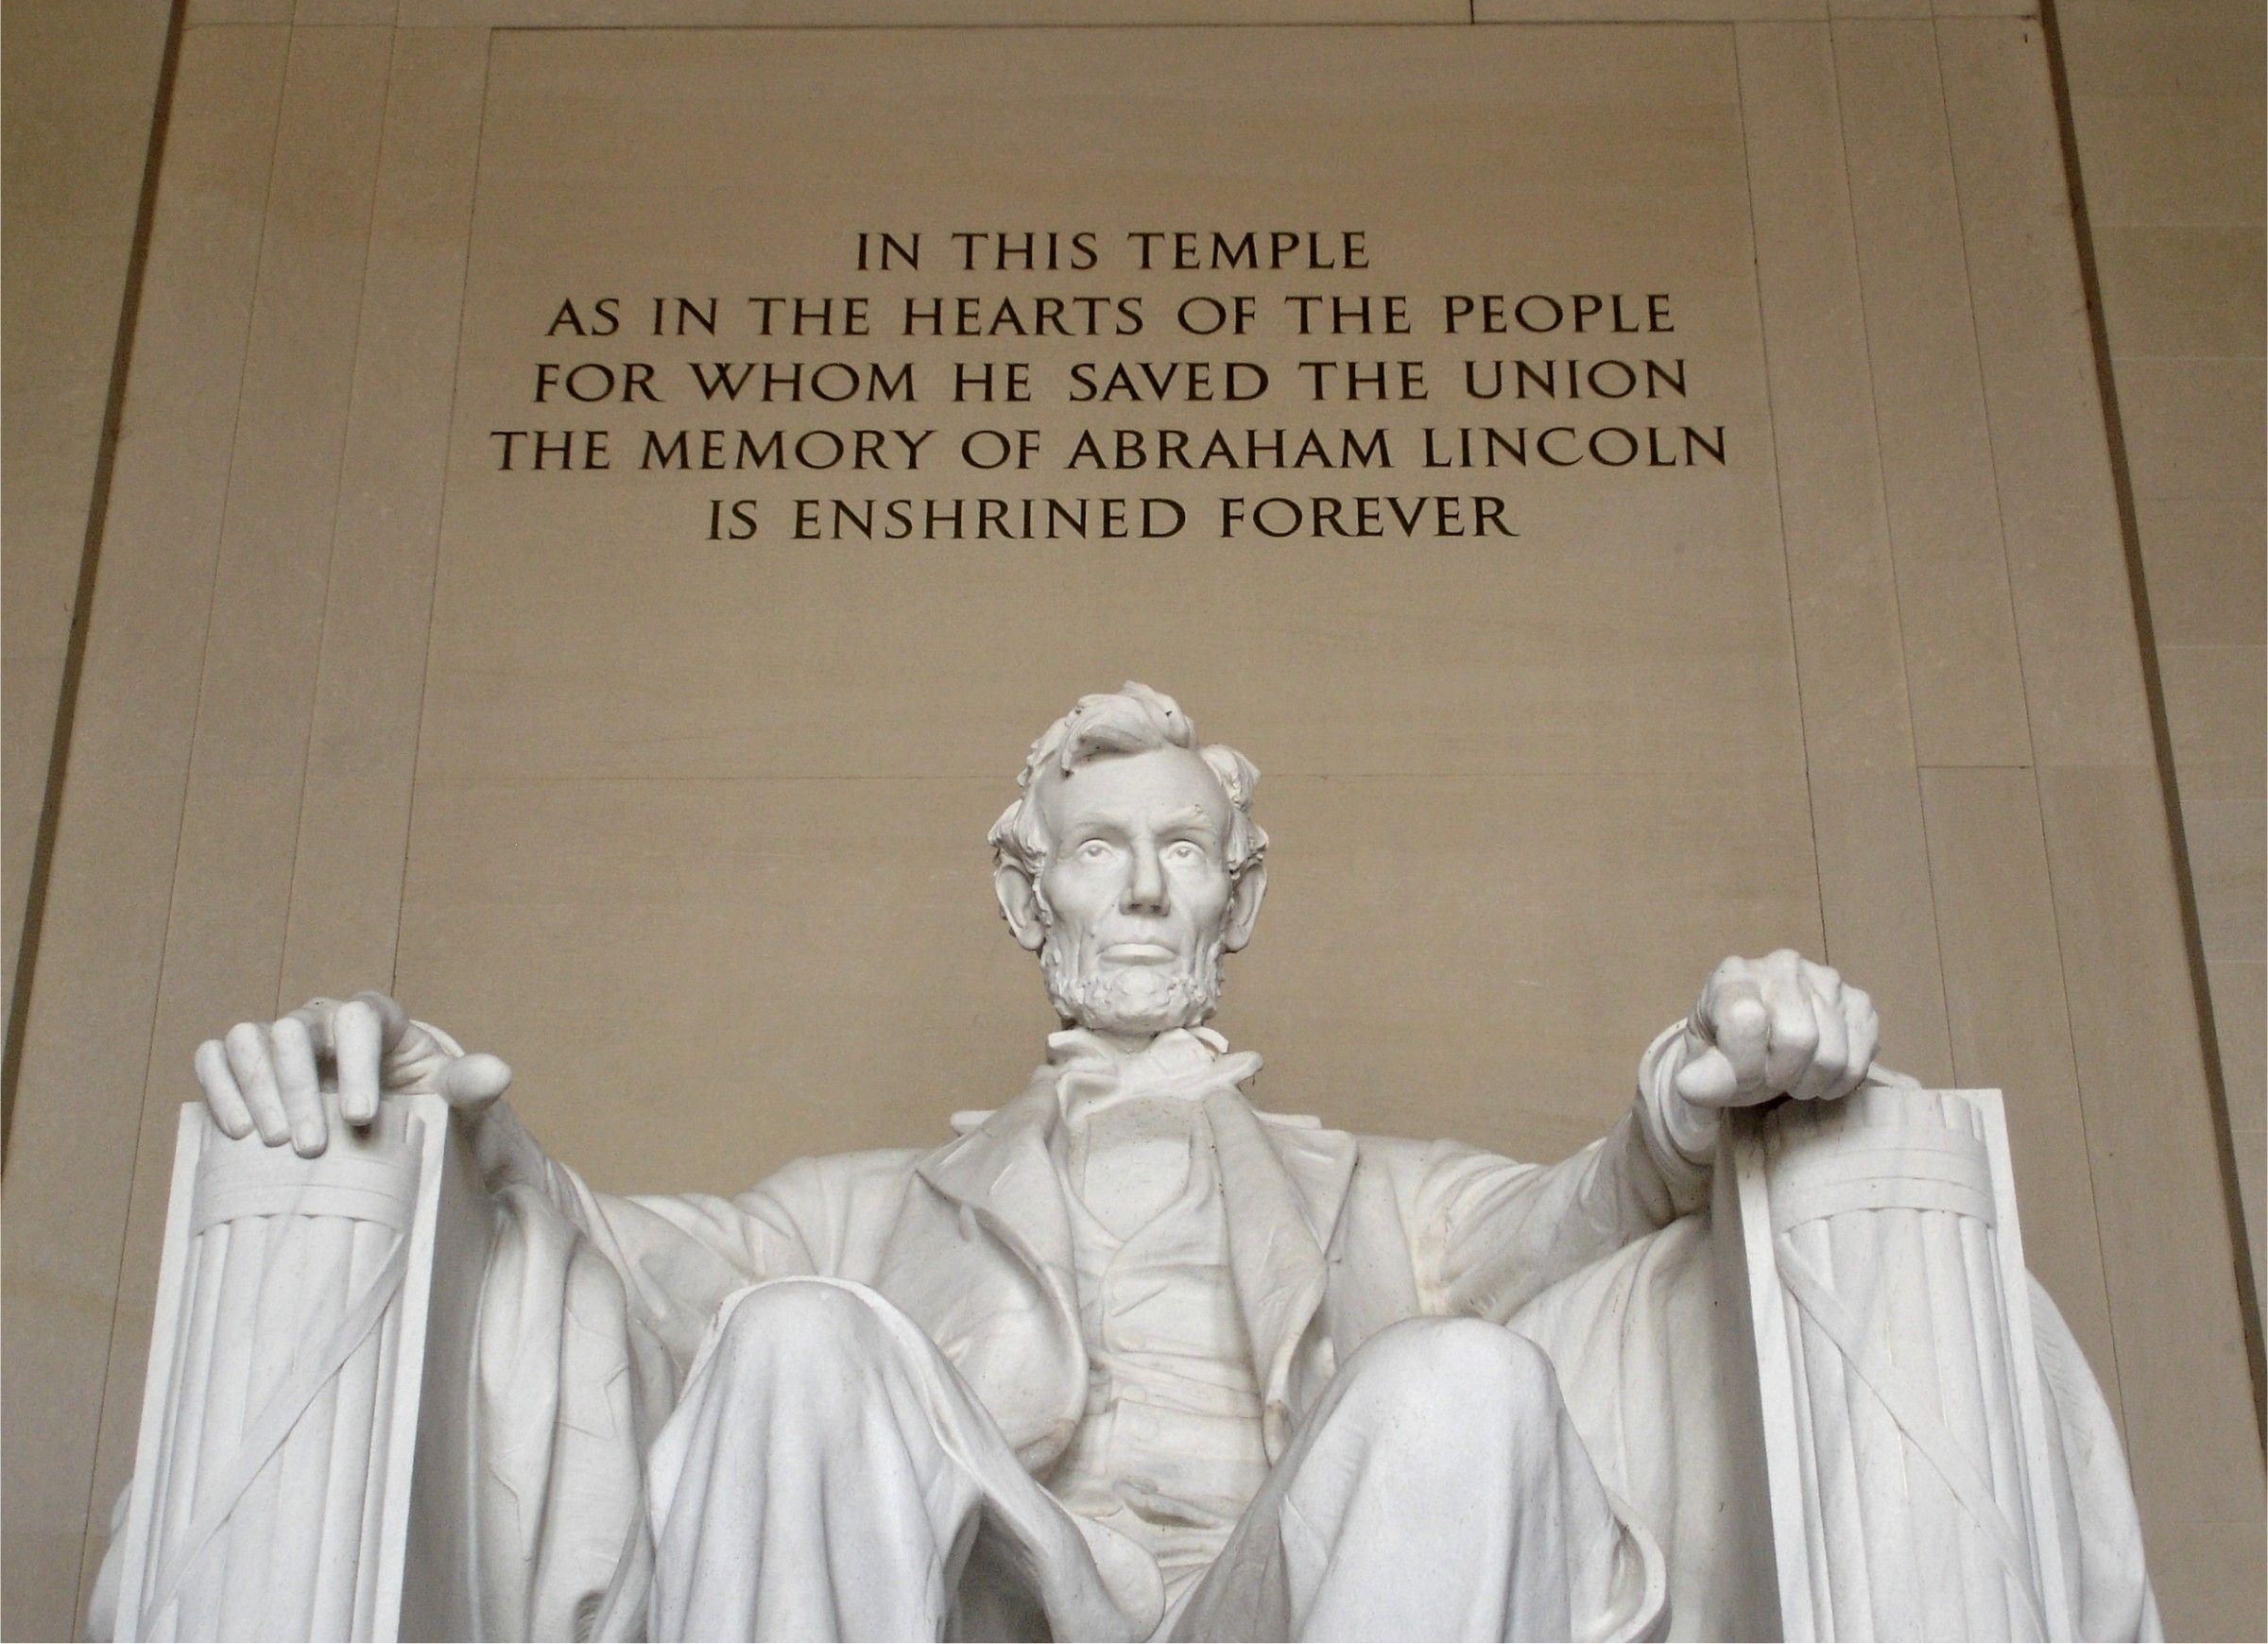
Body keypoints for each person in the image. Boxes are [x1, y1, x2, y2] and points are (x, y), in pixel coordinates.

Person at [181, 684, 2145, 1642]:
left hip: (1286, 1601)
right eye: (1096, 847)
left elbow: (1586, 1214)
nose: (1139, 879)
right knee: (788, 1339)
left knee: (1461, 1375)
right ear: (1025, 896)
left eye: (1181, 844)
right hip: (997, 1604)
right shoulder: (861, 1203)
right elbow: (612, 1253)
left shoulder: (1375, 1188)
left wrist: (1695, 1084)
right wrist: (446, 1114)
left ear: (1240, 888)